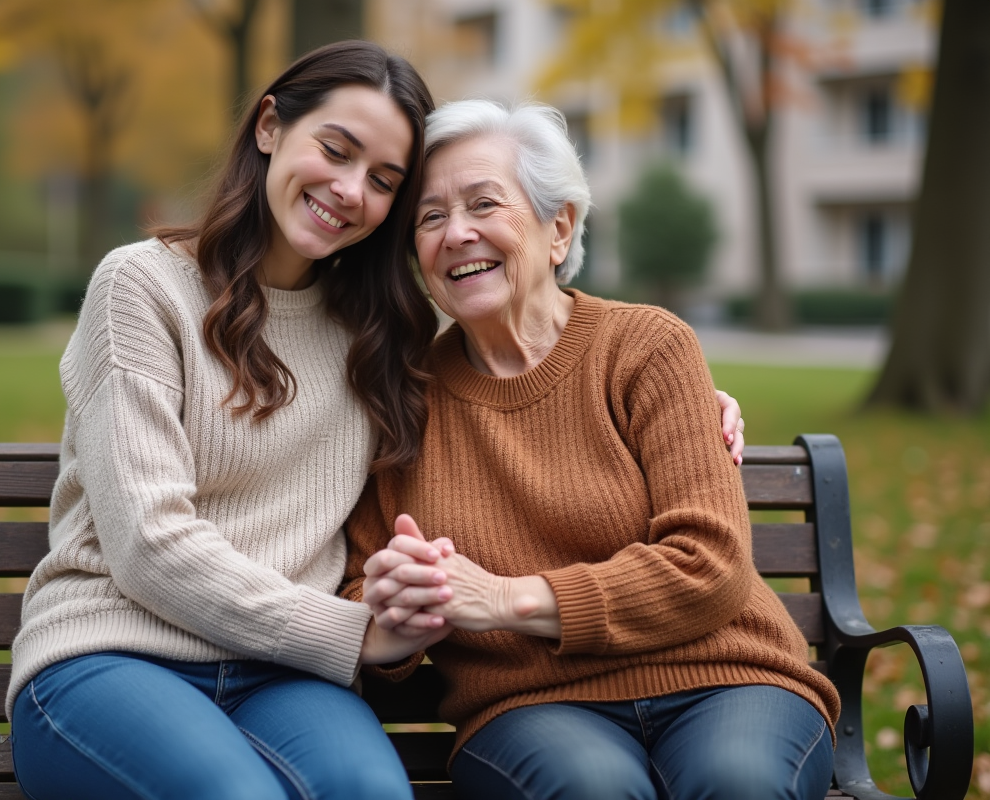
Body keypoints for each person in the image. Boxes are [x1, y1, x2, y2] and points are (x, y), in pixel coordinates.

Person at [7, 41, 746, 800]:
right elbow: (149, 546)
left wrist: (694, 408)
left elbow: (513, 391)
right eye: (336, 150)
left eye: (384, 180)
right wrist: (357, 634)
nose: (350, 189)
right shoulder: (141, 289)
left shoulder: (379, 339)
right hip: (116, 655)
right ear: (269, 127)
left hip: (282, 677)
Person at [345, 99, 840, 800]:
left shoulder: (647, 347)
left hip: (728, 678)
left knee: (739, 782)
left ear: (559, 227)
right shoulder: (400, 402)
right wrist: (399, 604)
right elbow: (361, 589)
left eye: (484, 203)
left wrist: (507, 600)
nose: (456, 233)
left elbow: (709, 566)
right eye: (430, 217)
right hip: (529, 706)